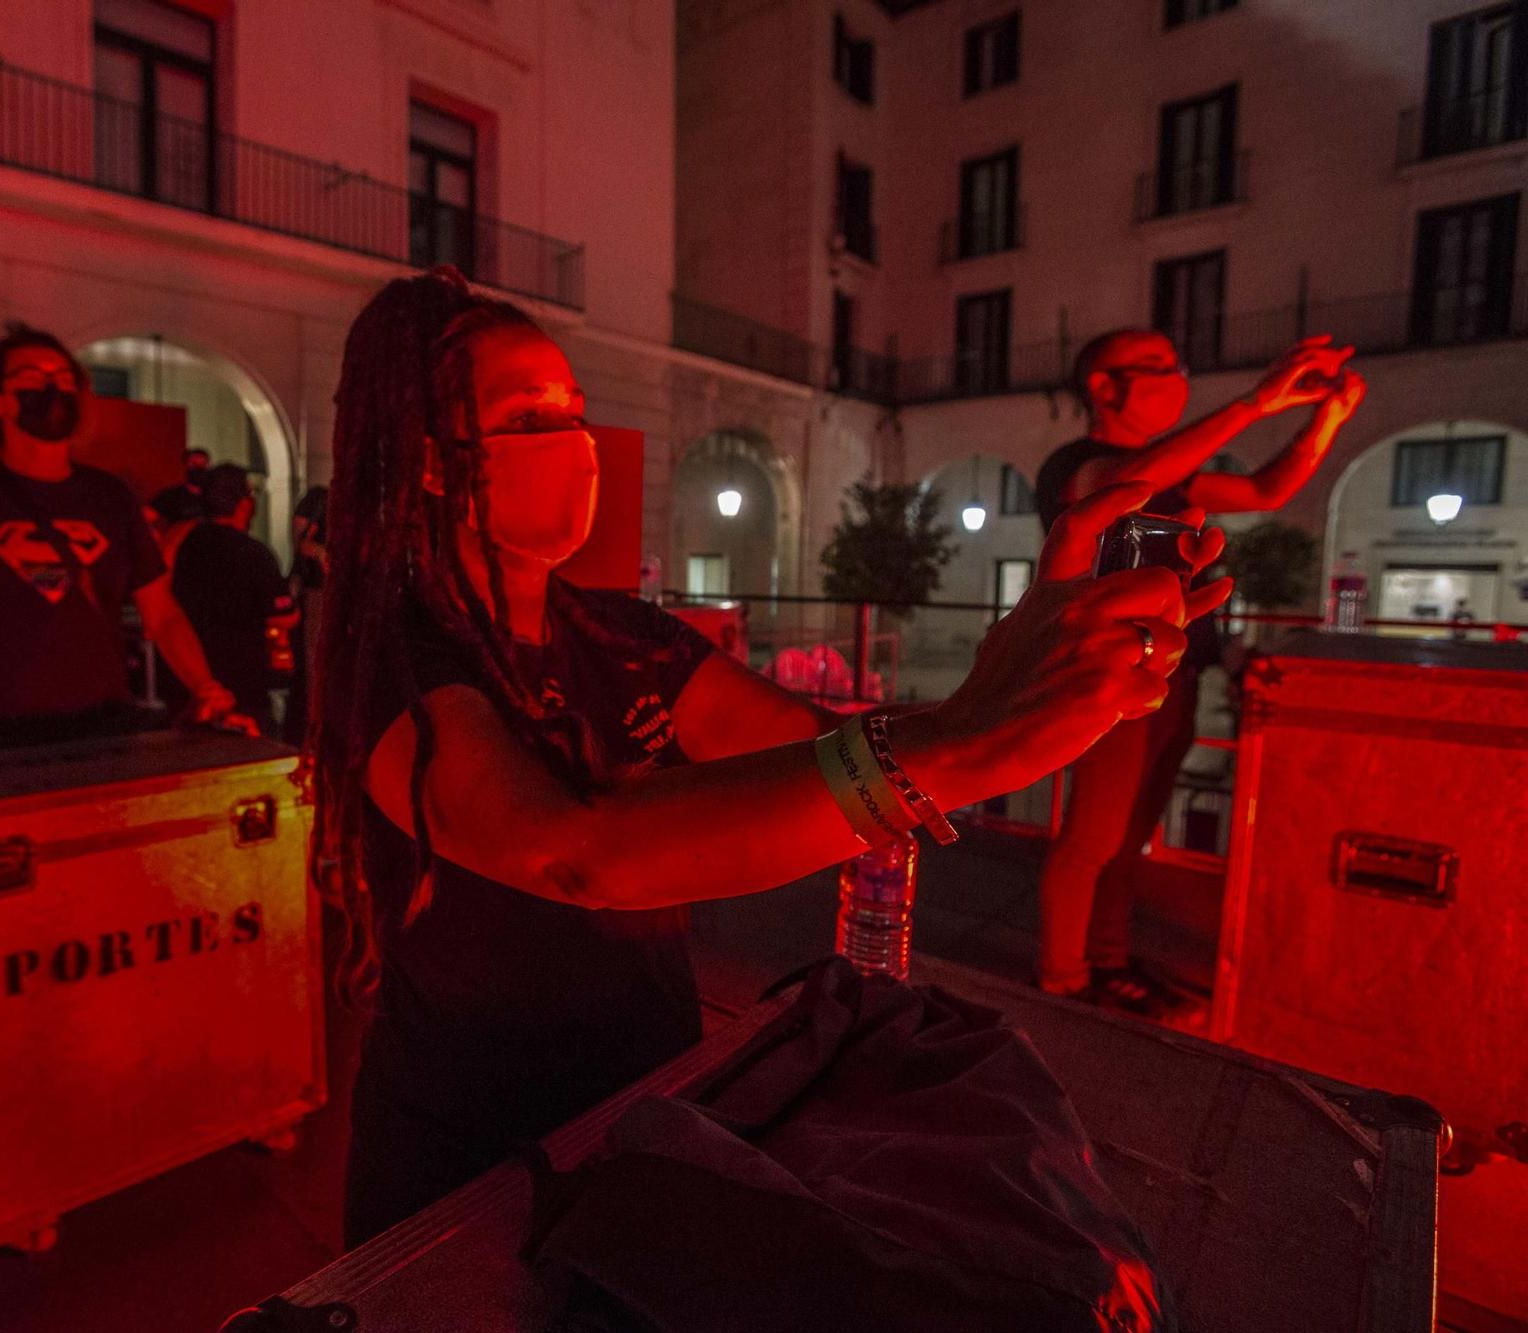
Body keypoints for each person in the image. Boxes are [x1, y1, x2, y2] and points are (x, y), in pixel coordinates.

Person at [310, 269, 1234, 1247]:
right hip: (464, 1160)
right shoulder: (393, 656)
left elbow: (819, 750)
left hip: (644, 1103)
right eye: (527, 415)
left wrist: (1001, 679)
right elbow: (569, 851)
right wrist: (959, 743)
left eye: (575, 410)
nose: (574, 443)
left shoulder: (620, 633)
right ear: (426, 460)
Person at [1032, 329, 1366, 1018]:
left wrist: (1323, 418)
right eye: (1157, 366)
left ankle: (1108, 959)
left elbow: (1266, 489)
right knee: (1093, 833)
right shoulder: (1079, 464)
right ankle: (1061, 978)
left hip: (1172, 666)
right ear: (1104, 385)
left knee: (1131, 833)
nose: (1177, 377)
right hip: (1109, 666)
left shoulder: (1171, 470)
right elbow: (1131, 483)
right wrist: (1255, 402)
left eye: (1175, 363)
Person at [0, 325, 235, 753]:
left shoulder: (110, 498)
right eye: (32, 377)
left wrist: (205, 686)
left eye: (62, 377)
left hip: (104, 731)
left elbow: (162, 613)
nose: (52, 386)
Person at [170, 463, 296, 737]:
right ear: (244, 504)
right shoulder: (253, 554)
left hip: (188, 680)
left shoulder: (183, 545)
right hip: (241, 686)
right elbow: (283, 616)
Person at [283, 484, 330, 745]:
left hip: (328, 592)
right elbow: (302, 544)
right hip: (318, 592)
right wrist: (322, 553)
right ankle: (313, 729)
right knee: (314, 663)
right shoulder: (320, 498)